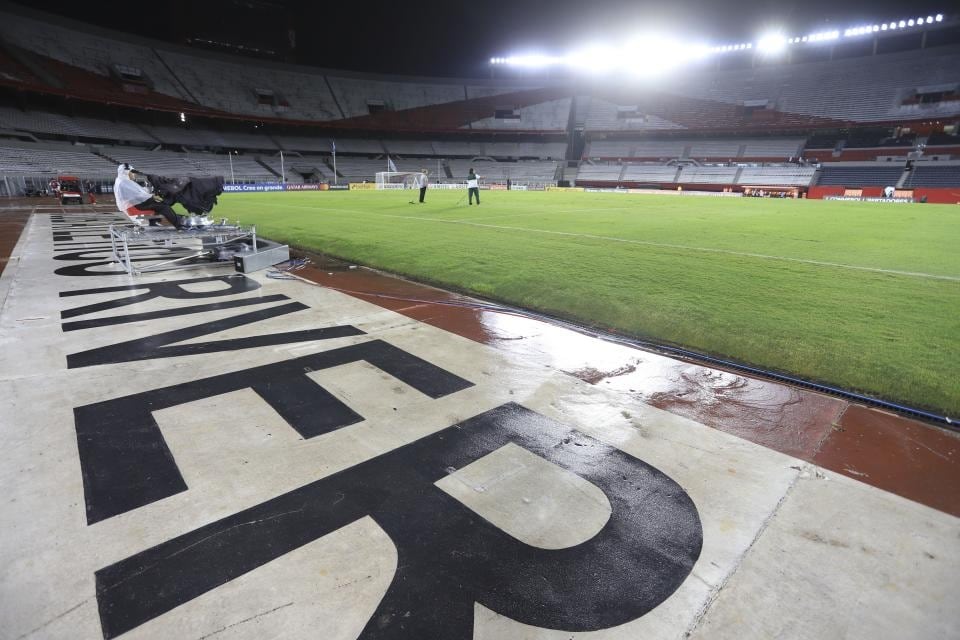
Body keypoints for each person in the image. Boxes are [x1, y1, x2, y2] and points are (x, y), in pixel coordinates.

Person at [113, 164, 183, 228]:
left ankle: (154, 221)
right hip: (137, 205)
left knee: (159, 202)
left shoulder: (121, 181)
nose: (134, 174)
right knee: (164, 207)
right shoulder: (125, 183)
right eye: (132, 172)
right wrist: (152, 196)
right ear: (126, 172)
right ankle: (179, 225)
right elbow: (137, 196)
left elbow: (136, 193)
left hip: (134, 204)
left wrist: (150, 195)